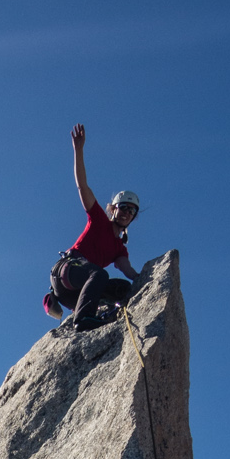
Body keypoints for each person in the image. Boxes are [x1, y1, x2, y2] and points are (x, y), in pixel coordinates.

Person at [44, 123, 142, 330]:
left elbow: (128, 270)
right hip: (67, 273)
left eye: (131, 211)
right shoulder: (98, 219)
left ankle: (100, 313)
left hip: (78, 292)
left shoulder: (119, 249)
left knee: (123, 287)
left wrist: (144, 279)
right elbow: (82, 186)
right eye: (123, 207)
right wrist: (78, 150)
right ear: (113, 209)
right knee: (99, 274)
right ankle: (83, 320)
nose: (126, 213)